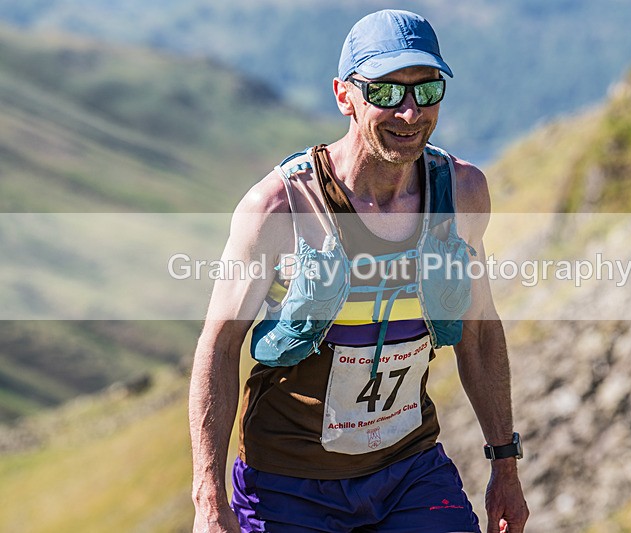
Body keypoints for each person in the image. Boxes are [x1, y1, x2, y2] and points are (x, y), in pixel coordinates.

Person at [189, 9, 529, 533]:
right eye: (387, 93)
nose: (411, 113)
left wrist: (505, 465)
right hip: (287, 482)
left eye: (427, 90)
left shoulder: (461, 194)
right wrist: (208, 497)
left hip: (409, 471)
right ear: (345, 95)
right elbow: (219, 345)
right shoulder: (280, 206)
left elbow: (480, 334)